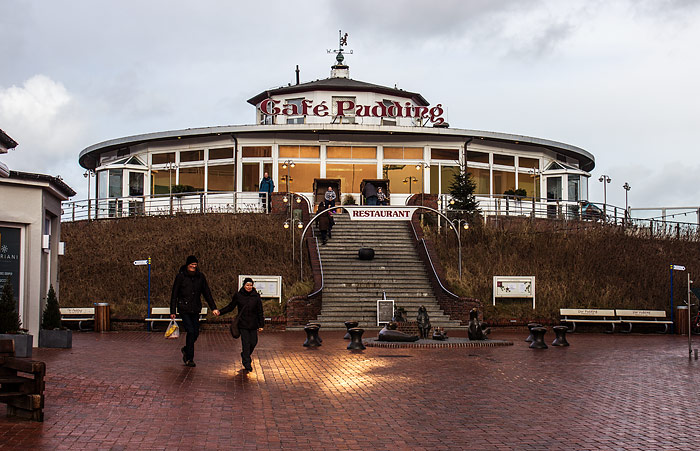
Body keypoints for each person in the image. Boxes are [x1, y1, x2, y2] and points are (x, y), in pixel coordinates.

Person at [170, 255, 219, 367]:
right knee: (190, 331)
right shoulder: (180, 277)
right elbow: (174, 295)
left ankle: (186, 349)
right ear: (187, 265)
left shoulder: (200, 277)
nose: (193, 266)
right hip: (184, 309)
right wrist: (172, 310)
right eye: (191, 265)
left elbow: (207, 293)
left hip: (195, 308)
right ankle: (189, 358)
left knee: (196, 332)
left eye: (195, 265)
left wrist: (213, 308)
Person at [214, 277, 264, 372]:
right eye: (247, 285)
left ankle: (245, 354)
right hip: (243, 323)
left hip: (253, 324)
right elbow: (231, 307)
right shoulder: (238, 295)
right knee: (246, 343)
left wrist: (261, 325)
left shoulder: (256, 296)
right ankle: (246, 362)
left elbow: (260, 311)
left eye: (250, 285)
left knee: (254, 342)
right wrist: (220, 312)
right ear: (244, 285)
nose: (249, 287)